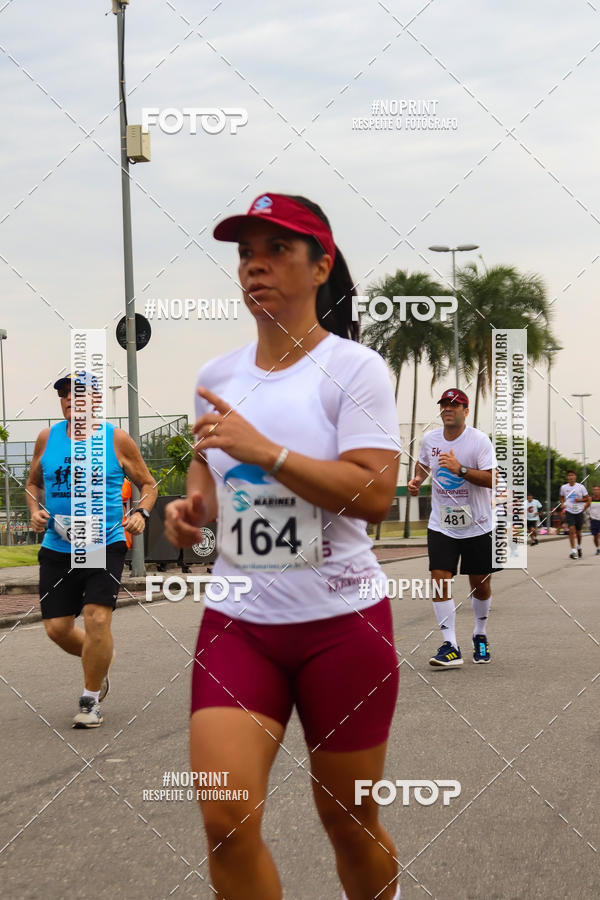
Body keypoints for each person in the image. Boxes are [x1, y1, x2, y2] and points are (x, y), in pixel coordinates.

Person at [164, 193, 401, 900]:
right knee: (225, 818)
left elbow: (374, 493)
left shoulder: (355, 370)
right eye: (245, 254)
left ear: (320, 265)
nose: (254, 267)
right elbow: (206, 476)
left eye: (276, 251)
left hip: (342, 624)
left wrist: (266, 451)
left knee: (348, 817)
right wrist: (191, 512)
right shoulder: (218, 377)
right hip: (241, 623)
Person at [26, 372, 157, 728]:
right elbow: (33, 483)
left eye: (79, 394)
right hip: (57, 545)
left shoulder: (116, 440)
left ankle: (90, 699)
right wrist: (35, 511)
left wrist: (141, 512)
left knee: (97, 618)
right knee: (56, 628)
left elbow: (147, 483)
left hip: (105, 542)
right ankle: (99, 661)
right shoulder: (46, 438)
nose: (70, 399)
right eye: (65, 394)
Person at [408, 388, 498, 667]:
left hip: (478, 525)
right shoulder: (430, 439)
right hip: (442, 524)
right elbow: (423, 465)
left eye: (454, 404)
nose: (448, 408)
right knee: (439, 577)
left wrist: (460, 469)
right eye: (444, 404)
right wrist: (417, 480)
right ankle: (451, 645)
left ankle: (480, 634)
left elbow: (493, 479)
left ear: (465, 411)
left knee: (480, 585)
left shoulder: (479, 441)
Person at [559, 470, 590, 559]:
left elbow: (587, 499)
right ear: (567, 477)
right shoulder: (564, 487)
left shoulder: (581, 487)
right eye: (569, 475)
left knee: (578, 532)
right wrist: (562, 503)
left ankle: (579, 546)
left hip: (579, 511)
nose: (570, 477)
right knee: (571, 529)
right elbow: (561, 497)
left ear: (575, 477)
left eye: (572, 475)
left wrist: (579, 501)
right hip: (569, 510)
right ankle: (573, 550)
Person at [588, 484, 600, 555]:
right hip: (593, 520)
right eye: (594, 490)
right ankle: (597, 548)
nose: (596, 491)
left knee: (599, 534)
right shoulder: (590, 499)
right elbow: (587, 508)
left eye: (597, 490)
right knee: (595, 536)